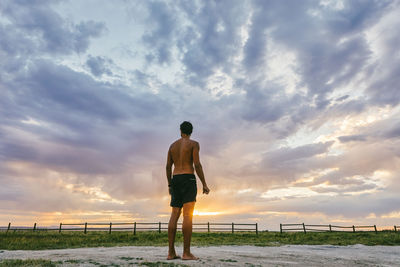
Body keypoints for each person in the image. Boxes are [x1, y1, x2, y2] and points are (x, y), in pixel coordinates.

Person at [166, 121, 210, 260]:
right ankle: (186, 253)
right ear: (191, 132)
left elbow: (168, 167)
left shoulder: (172, 146)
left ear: (180, 131)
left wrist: (170, 185)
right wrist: (204, 184)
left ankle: (171, 252)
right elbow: (197, 164)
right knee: (187, 215)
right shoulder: (194, 144)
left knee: (174, 214)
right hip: (188, 179)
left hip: (176, 179)